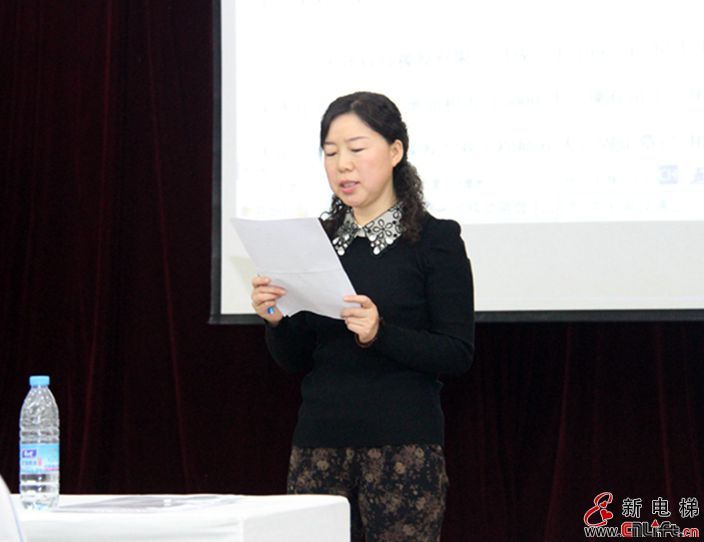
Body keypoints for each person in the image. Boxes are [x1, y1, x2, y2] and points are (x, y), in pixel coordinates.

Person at [251, 91, 474, 542]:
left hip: (401, 448)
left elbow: (457, 354)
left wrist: (379, 333)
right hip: (318, 445)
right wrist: (275, 320)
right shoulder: (316, 242)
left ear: (395, 151)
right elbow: (296, 360)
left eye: (356, 149)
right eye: (331, 153)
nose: (342, 165)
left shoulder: (436, 240)